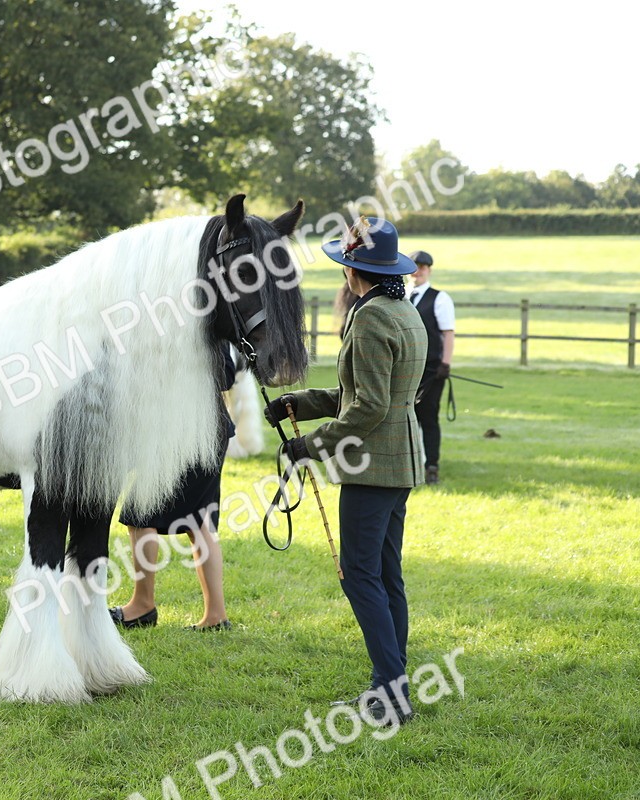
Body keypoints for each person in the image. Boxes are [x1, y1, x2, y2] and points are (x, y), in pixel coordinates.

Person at [264, 217, 426, 725]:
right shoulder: (403, 310)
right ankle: (388, 685)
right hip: (399, 465)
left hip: (373, 468)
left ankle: (393, 693)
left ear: (355, 271)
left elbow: (369, 406)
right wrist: (302, 403)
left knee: (359, 576)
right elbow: (363, 392)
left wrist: (309, 446)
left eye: (344, 265)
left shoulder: (372, 317)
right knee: (384, 575)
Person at [109, 344, 236, 631]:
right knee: (200, 521)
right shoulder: (212, 316)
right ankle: (216, 616)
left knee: (141, 516)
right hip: (213, 430)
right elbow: (227, 374)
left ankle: (142, 606)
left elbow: (226, 375)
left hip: (179, 433)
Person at [406, 250, 456, 485]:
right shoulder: (401, 296)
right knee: (406, 418)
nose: (418, 271)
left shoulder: (440, 298)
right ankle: (410, 464)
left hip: (432, 371)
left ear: (429, 270)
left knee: (428, 418)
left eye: (423, 267)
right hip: (406, 370)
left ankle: (431, 466)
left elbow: (448, 333)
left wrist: (445, 364)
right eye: (414, 266)